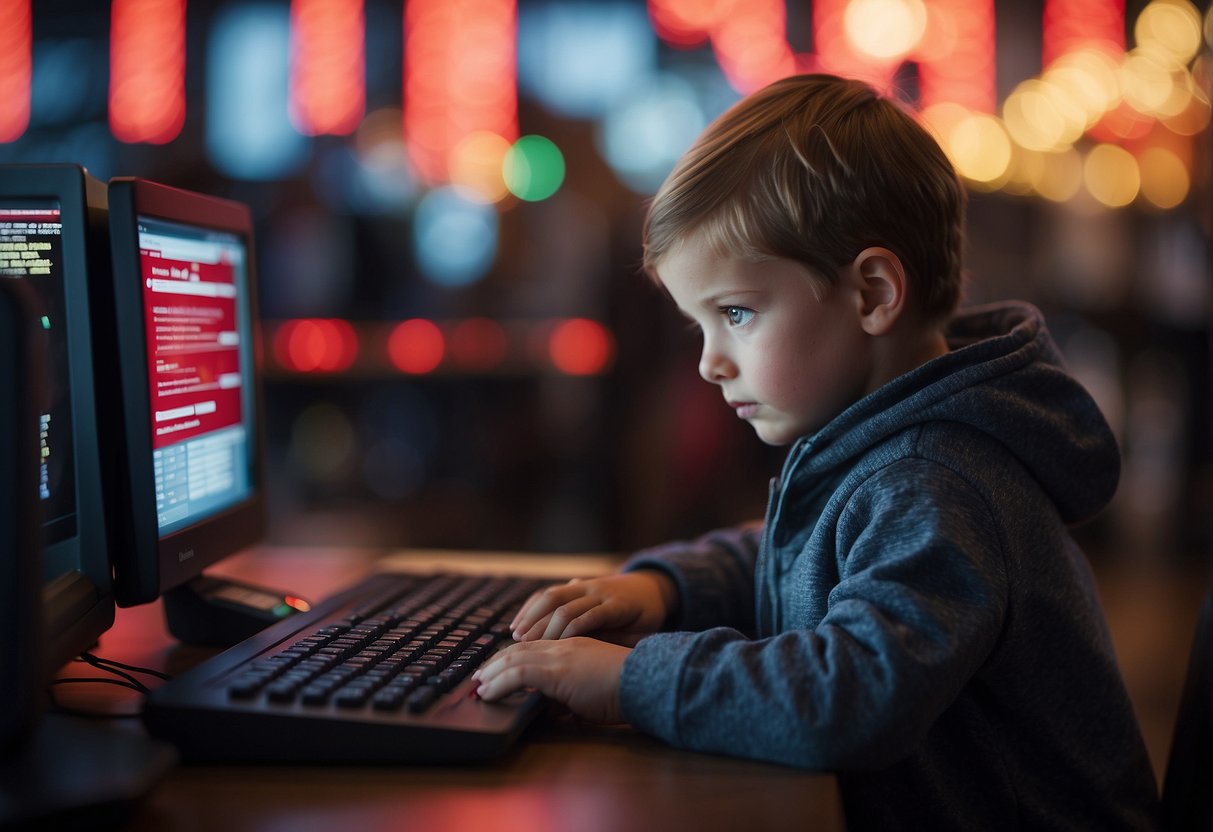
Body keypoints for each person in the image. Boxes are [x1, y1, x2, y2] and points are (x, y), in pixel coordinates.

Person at [472, 73, 1161, 830]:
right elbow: (796, 557)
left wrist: (635, 679)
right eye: (699, 325)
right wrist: (668, 590)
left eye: (735, 313)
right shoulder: (889, 435)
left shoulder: (934, 479)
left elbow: (851, 696)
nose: (709, 362)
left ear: (870, 293)